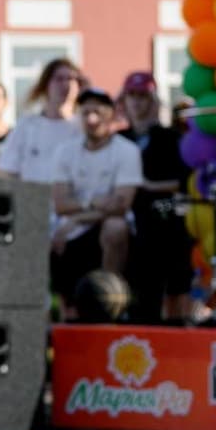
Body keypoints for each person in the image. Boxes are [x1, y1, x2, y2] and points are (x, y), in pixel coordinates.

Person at [48, 88, 143, 316]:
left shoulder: (127, 151)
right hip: (71, 230)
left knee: (115, 227)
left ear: (111, 114)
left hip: (97, 227)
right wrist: (95, 203)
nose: (91, 119)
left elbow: (121, 206)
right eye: (86, 112)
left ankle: (112, 302)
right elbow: (60, 203)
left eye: (97, 112)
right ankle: (65, 314)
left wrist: (79, 215)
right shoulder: (64, 151)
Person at [118, 72, 197, 323]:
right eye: (132, 96)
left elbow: (184, 181)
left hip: (161, 218)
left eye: (143, 96)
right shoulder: (119, 139)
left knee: (172, 264)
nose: (137, 102)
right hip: (128, 218)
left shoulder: (170, 138)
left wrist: (149, 186)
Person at [0, 58, 82, 184]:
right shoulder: (26, 125)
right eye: (59, 79)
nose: (66, 85)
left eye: (71, 79)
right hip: (33, 199)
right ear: (45, 85)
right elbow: (7, 170)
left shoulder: (83, 128)